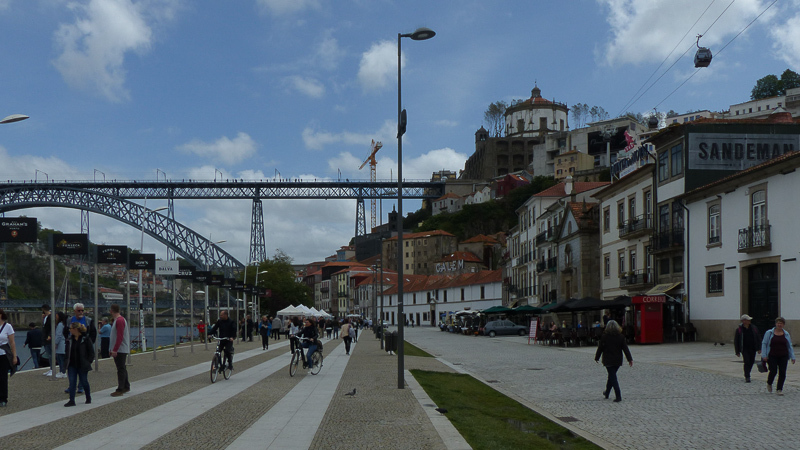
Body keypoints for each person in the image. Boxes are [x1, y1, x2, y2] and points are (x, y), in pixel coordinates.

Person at [594, 320, 633, 403]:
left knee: (613, 377)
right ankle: (607, 392)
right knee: (611, 376)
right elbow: (625, 349)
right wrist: (630, 359)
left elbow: (600, 348)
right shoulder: (621, 337)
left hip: (608, 360)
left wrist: (597, 357)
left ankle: (618, 395)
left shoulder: (604, 336)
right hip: (617, 360)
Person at [761, 317, 796, 395]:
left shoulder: (786, 334)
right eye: (778, 323)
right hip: (772, 355)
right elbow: (764, 343)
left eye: (781, 323)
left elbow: (789, 345)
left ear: (783, 325)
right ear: (775, 324)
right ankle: (769, 382)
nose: (779, 325)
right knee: (773, 371)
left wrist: (792, 357)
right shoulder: (769, 333)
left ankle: (779, 389)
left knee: (782, 372)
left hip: (783, 355)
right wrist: (764, 355)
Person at [64, 323, 94, 407]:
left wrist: (88, 362)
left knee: (84, 381)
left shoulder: (86, 339)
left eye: (71, 329)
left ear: (76, 329)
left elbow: (91, 352)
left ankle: (88, 397)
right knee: (72, 382)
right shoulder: (69, 340)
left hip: (82, 364)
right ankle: (72, 400)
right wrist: (66, 361)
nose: (69, 330)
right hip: (72, 364)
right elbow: (67, 352)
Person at [109, 304, 130, 397]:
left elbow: (119, 336)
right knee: (122, 368)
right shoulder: (118, 320)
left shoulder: (119, 321)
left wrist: (115, 349)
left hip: (120, 349)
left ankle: (120, 388)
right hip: (120, 348)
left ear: (111, 311)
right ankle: (126, 385)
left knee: (120, 369)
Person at [0, 309, 19, 407]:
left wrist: (14, 356)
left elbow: (12, 343)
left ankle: (3, 398)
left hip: (3, 355)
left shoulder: (8, 327)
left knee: (2, 378)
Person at [734, 314, 761, 383]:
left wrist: (759, 348)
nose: (749, 321)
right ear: (743, 321)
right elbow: (736, 341)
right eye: (747, 320)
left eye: (749, 320)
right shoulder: (739, 330)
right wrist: (737, 351)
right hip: (744, 348)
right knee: (747, 361)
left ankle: (748, 373)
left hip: (753, 348)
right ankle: (747, 376)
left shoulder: (754, 328)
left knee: (752, 362)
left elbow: (758, 338)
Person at [54, 312, 68, 379]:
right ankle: (61, 371)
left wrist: (55, 343)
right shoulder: (63, 324)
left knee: (60, 359)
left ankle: (63, 372)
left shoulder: (60, 324)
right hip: (62, 343)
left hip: (61, 344)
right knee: (60, 358)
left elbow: (58, 335)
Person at [41, 304, 53, 376]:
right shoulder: (46, 317)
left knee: (51, 354)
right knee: (49, 354)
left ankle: (52, 369)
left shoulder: (50, 317)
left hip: (48, 338)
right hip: (45, 338)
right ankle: (51, 368)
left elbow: (50, 327)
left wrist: (49, 335)